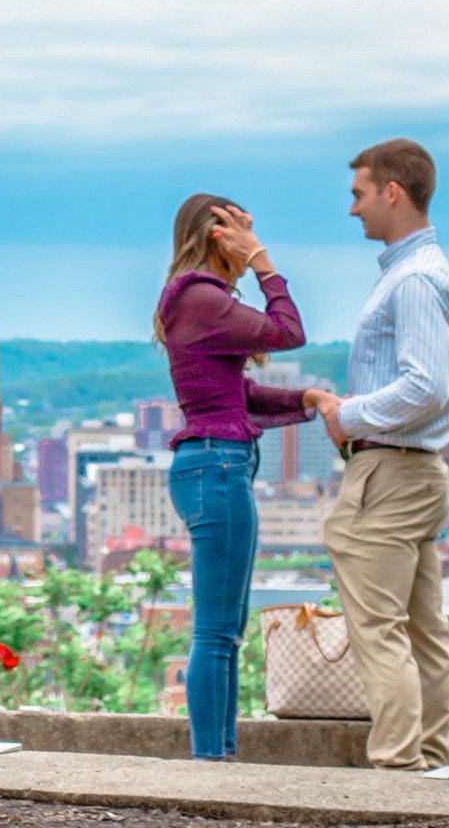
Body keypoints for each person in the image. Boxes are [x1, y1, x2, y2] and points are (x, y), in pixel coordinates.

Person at [155, 193, 323, 761]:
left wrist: (307, 398)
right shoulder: (201, 298)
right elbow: (288, 331)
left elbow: (235, 395)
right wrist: (263, 261)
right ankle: (210, 760)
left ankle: (220, 756)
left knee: (225, 631)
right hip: (217, 465)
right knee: (215, 632)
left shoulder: (198, 300)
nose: (252, 238)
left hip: (216, 463)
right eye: (244, 229)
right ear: (219, 235)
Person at [314, 138, 449, 772]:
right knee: (424, 630)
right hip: (413, 468)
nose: (353, 209)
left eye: (360, 194)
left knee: (379, 627)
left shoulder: (415, 278)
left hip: (392, 470)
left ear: (392, 192)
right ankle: (428, 759)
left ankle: (400, 765)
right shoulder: (418, 271)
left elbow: (426, 387)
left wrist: (346, 416)